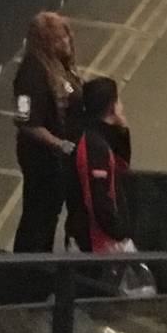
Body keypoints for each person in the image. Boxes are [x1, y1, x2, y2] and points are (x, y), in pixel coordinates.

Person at [10, 12, 82, 252]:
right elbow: (25, 121)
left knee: (51, 215)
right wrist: (59, 144)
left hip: (60, 160)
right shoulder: (30, 75)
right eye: (58, 40)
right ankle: (29, 272)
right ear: (43, 43)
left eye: (66, 37)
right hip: (42, 161)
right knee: (37, 219)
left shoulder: (60, 64)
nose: (65, 43)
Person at [62, 76, 134, 256]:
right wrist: (120, 233)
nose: (122, 106)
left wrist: (123, 131)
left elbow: (122, 167)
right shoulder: (94, 147)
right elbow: (98, 202)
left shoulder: (104, 137)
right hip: (95, 246)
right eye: (118, 101)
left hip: (102, 241)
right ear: (111, 107)